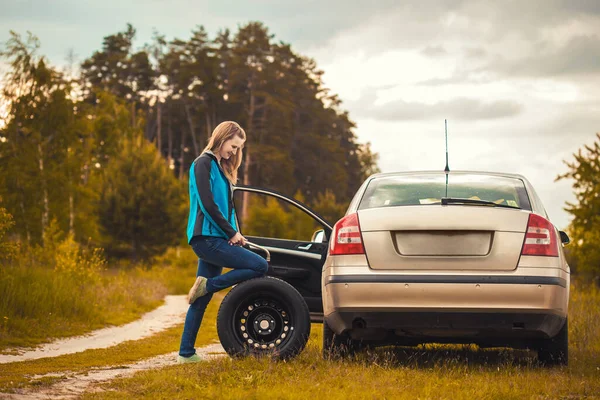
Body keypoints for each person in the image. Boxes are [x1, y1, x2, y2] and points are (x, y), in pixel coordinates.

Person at [177, 121, 269, 364]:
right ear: (223, 137)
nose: (235, 152)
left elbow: (227, 209)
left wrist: (237, 233)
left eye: (239, 148)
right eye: (233, 145)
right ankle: (209, 285)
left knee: (201, 299)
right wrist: (231, 233)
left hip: (218, 238)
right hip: (206, 239)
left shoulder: (221, 169)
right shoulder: (203, 163)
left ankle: (186, 354)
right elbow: (208, 205)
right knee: (260, 266)